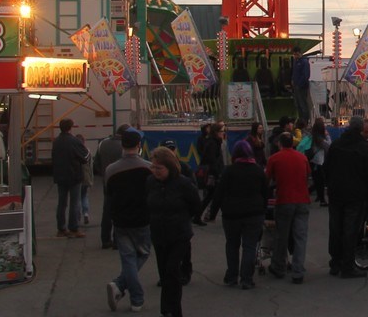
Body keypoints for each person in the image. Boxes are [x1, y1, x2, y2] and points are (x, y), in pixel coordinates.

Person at [146, 146, 201, 317]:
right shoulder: (150, 182)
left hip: (179, 235)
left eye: (159, 168)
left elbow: (195, 205)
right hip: (158, 234)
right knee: (164, 273)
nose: (156, 171)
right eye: (153, 167)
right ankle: (166, 308)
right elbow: (147, 203)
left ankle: (174, 310)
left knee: (172, 270)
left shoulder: (183, 184)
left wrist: (182, 218)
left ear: (169, 167)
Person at [209, 140, 270, 289]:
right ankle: (246, 278)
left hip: (231, 214)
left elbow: (219, 193)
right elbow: (265, 193)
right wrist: (263, 210)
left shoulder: (229, 171)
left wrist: (212, 213)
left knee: (232, 245)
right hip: (254, 213)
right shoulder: (257, 170)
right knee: (249, 246)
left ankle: (231, 276)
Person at [325, 116, 368, 278]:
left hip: (336, 193)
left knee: (335, 228)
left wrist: (330, 185)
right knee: (351, 230)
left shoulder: (336, 145)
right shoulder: (363, 147)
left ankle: (335, 262)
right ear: (360, 129)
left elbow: (326, 168)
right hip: (356, 195)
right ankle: (347, 265)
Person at [105, 128, 151, 314]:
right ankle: (133, 295)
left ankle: (123, 288)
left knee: (128, 258)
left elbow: (108, 195)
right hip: (142, 219)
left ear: (122, 146)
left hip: (120, 220)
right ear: (139, 145)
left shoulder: (111, 170)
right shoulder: (148, 168)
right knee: (143, 254)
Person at [265, 132, 312, 284]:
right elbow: (307, 175)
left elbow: (267, 178)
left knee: (281, 236)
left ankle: (278, 266)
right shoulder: (302, 157)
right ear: (293, 143)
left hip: (284, 200)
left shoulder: (274, 158)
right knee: (300, 237)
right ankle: (298, 271)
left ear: (279, 143)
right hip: (302, 200)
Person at [95, 124, 132, 249]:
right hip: (122, 183)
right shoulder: (124, 147)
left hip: (107, 181)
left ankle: (105, 240)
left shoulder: (103, 144)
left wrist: (104, 174)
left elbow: (96, 164)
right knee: (119, 212)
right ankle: (118, 240)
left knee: (107, 212)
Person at [52, 118, 89, 238]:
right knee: (75, 203)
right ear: (70, 127)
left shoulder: (56, 141)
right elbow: (85, 157)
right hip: (74, 176)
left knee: (61, 203)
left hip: (60, 176)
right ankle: (73, 228)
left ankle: (61, 228)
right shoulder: (74, 141)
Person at [197, 123, 226, 224]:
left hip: (213, 173)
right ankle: (204, 215)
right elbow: (212, 160)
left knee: (211, 195)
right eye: (222, 131)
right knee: (213, 195)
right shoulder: (213, 143)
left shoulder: (214, 142)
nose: (223, 133)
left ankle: (201, 215)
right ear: (216, 132)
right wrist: (217, 174)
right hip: (212, 174)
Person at [291, 47, 313, 124]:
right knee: (298, 104)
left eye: (296, 54)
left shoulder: (304, 62)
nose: (295, 56)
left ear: (300, 53)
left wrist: (300, 84)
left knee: (303, 104)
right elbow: (295, 73)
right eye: (294, 55)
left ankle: (305, 121)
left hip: (302, 87)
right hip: (296, 86)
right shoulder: (296, 62)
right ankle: (301, 121)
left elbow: (305, 75)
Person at [79, 134, 94, 227]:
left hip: (77, 177)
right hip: (86, 176)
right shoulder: (87, 151)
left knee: (76, 197)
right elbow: (91, 165)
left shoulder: (74, 151)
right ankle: (85, 213)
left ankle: (77, 216)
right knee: (84, 195)